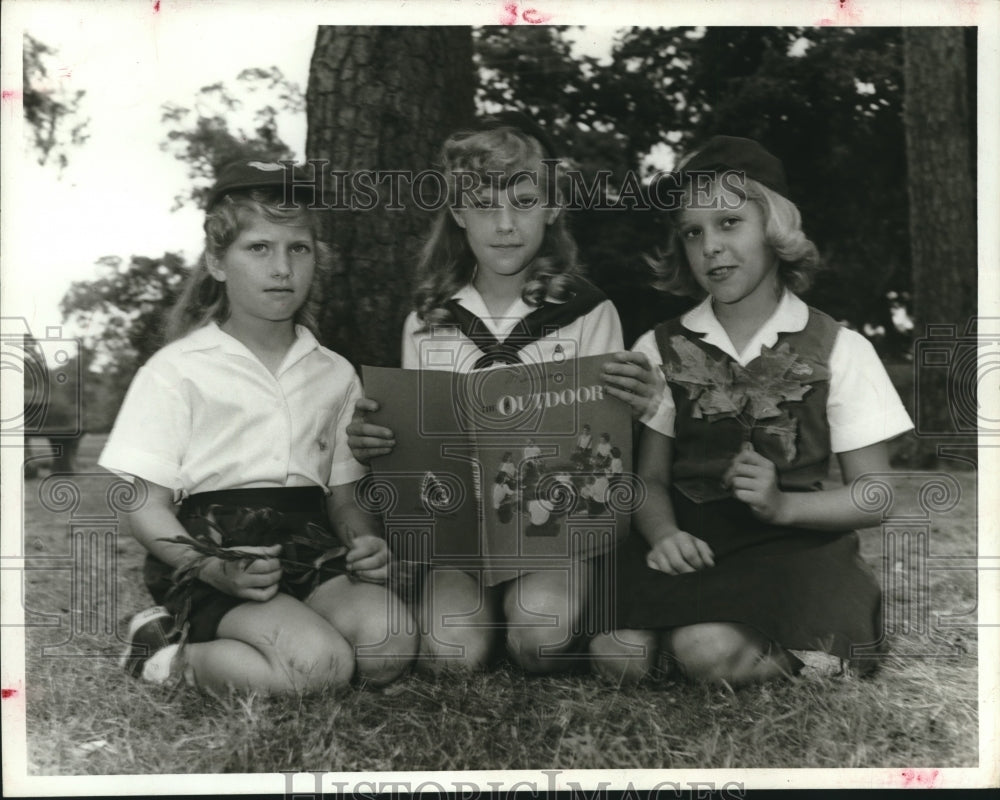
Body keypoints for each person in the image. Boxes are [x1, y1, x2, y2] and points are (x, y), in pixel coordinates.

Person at [589, 136, 913, 685]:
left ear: (775, 226)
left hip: (792, 546)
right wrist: (664, 533)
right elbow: (649, 481)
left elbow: (875, 494)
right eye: (693, 232)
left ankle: (803, 654)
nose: (710, 245)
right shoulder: (659, 346)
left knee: (704, 649)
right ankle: (689, 643)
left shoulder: (839, 347)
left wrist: (781, 505)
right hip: (694, 544)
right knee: (614, 655)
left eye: (729, 222)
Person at [101, 161, 417, 694]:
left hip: (309, 543)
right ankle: (164, 655)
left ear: (317, 260)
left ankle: (289, 629)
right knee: (319, 668)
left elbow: (343, 497)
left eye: (299, 248)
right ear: (217, 263)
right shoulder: (176, 369)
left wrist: (365, 543)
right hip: (215, 548)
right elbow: (143, 506)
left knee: (390, 646)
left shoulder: (335, 372)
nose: (282, 268)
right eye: (258, 248)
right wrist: (208, 568)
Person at [347, 112, 642, 674]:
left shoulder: (587, 311)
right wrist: (381, 443)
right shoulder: (428, 319)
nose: (505, 224)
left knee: (540, 640)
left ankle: (556, 611)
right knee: (450, 654)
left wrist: (636, 402)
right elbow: (421, 445)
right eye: (484, 206)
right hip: (462, 531)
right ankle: (471, 611)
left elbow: (601, 449)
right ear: (458, 213)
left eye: (524, 203)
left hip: (552, 528)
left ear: (552, 207)